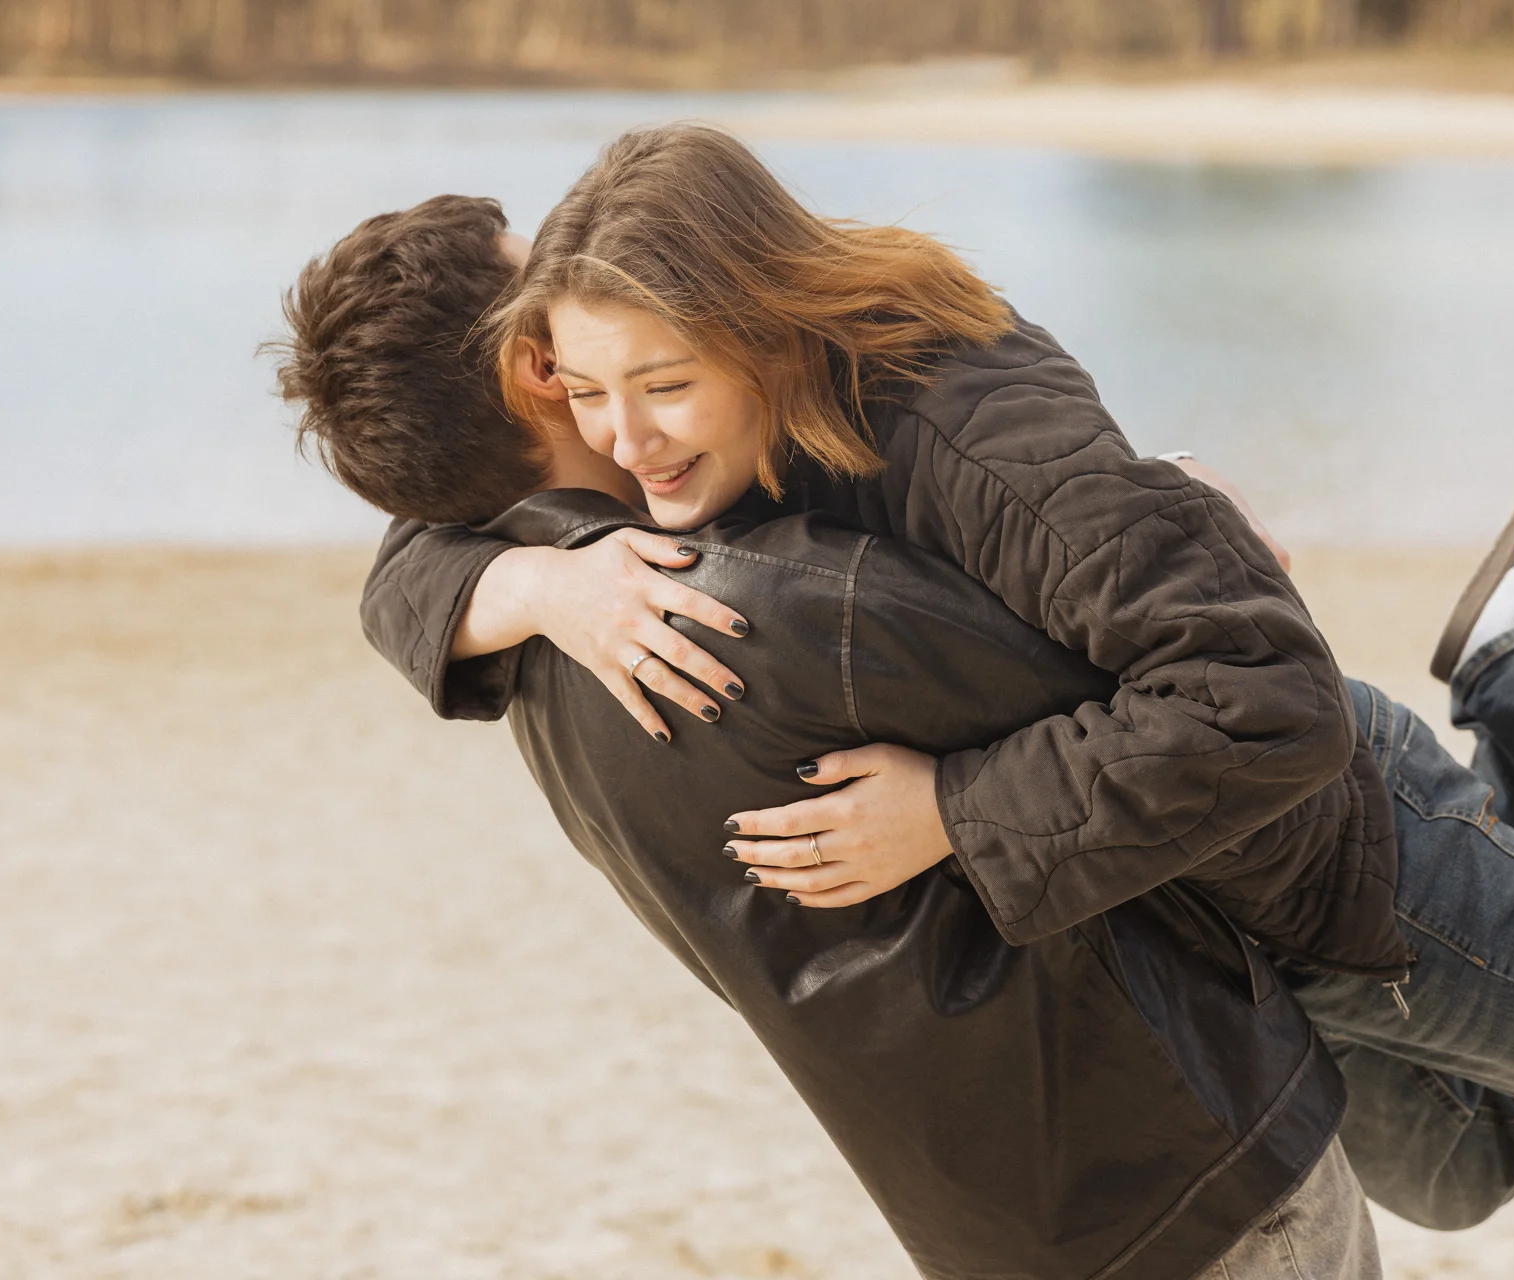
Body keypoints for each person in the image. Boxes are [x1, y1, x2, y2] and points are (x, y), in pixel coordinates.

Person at [278, 194, 1377, 1280]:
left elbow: (409, 556)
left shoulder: (533, 650)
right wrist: (1190, 516)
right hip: (1190, 1155)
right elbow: (1207, 699)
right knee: (1486, 1099)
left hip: (986, 1218)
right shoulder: (766, 601)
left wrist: (521, 576)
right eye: (544, 287)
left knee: (1471, 1143)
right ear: (536, 365)